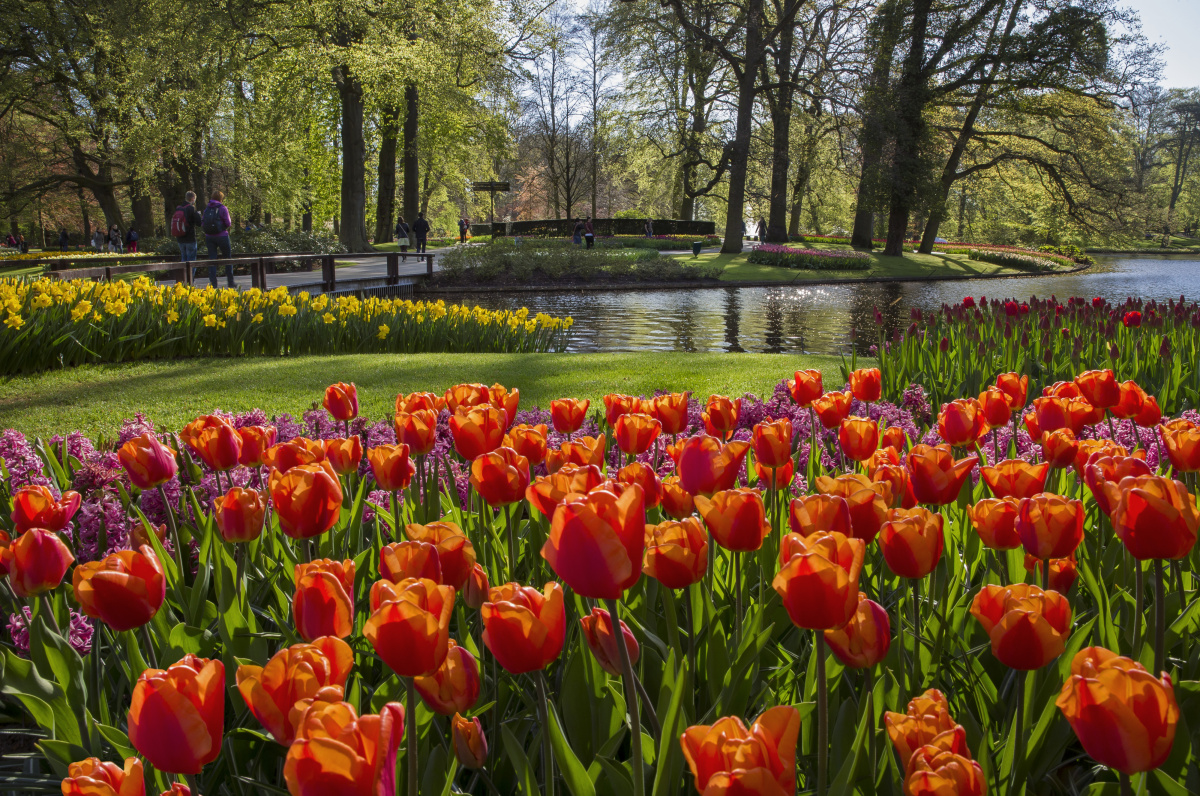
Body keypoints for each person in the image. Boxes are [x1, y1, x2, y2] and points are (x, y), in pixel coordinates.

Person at [201, 190, 235, 288]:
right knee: (227, 258)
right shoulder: (223, 208)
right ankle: (230, 282)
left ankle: (213, 283)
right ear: (221, 198)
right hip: (222, 236)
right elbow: (228, 223)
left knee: (212, 259)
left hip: (209, 237)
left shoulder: (207, 209)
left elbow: (203, 223)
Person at [171, 191, 203, 276]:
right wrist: (198, 214)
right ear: (192, 199)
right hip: (190, 238)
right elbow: (199, 223)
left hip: (180, 238)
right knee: (191, 260)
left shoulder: (178, 208)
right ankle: (190, 280)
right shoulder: (191, 208)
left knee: (183, 258)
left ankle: (183, 279)